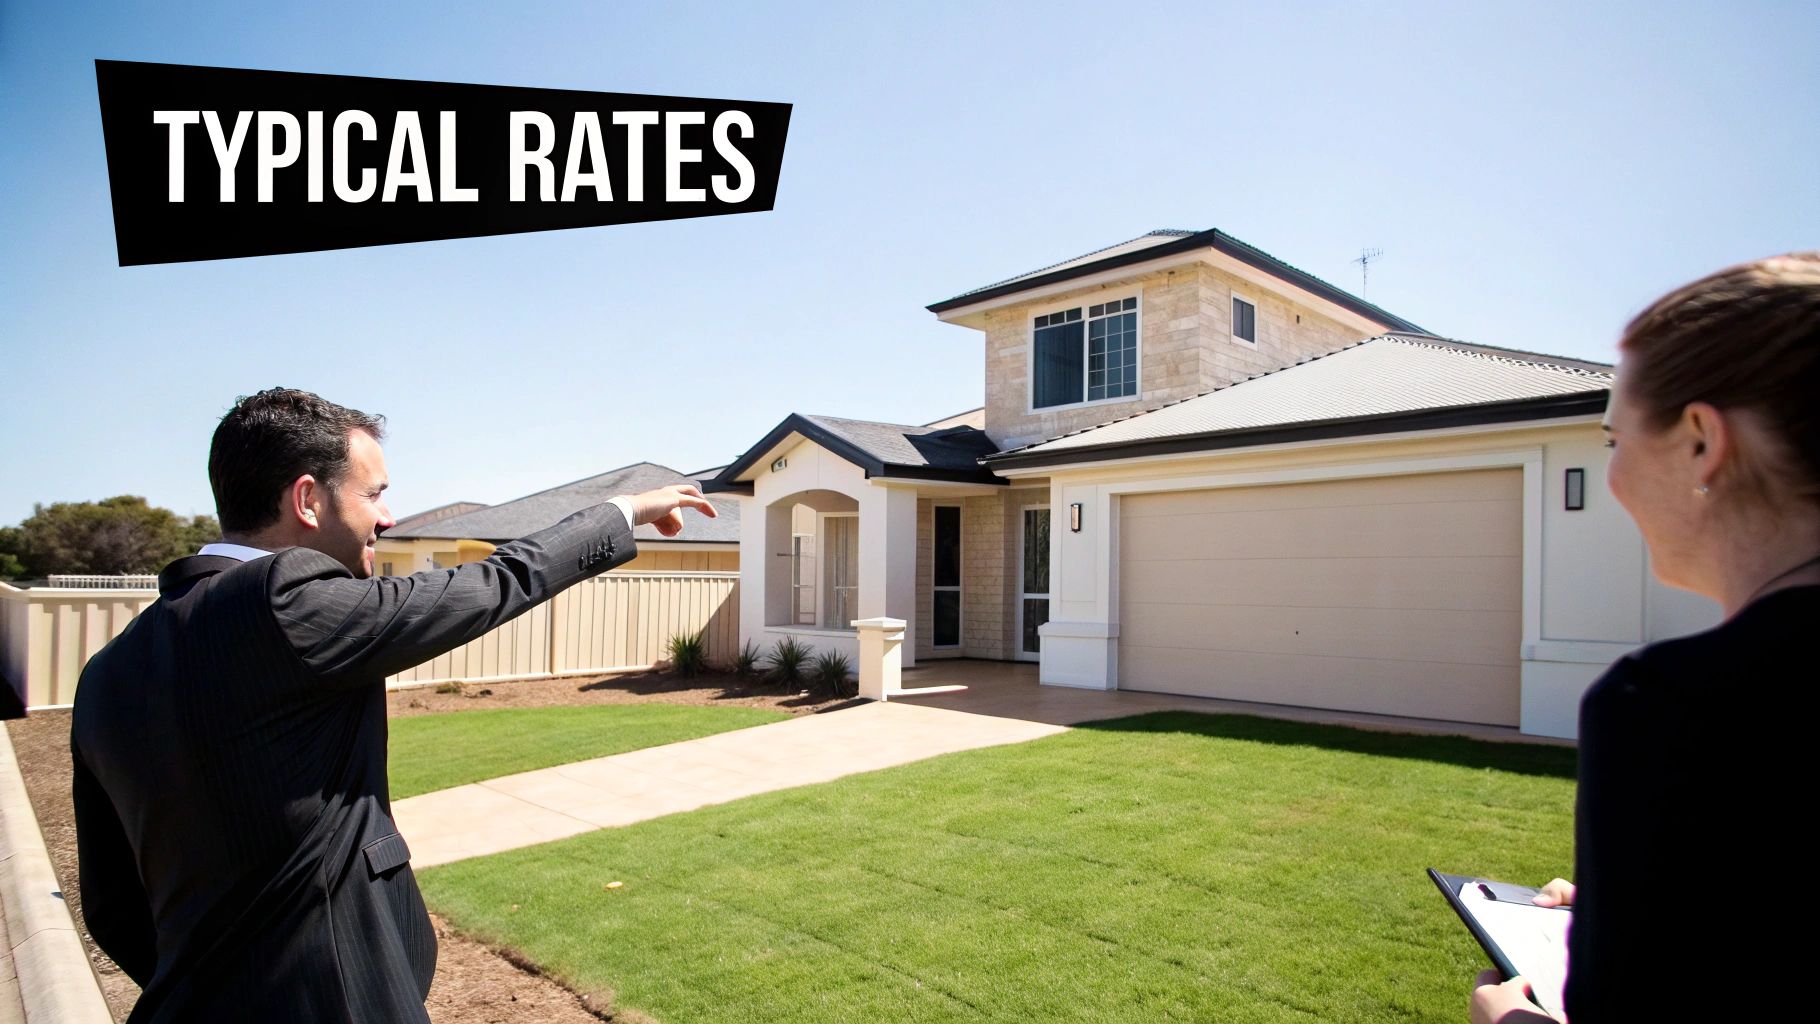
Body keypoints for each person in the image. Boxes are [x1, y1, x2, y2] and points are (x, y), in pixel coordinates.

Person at [71, 388, 717, 1023]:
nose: (388, 518)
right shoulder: (283, 601)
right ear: (307, 499)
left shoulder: (105, 675)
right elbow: (490, 584)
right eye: (374, 494)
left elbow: (109, 906)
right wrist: (621, 510)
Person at [1469, 252, 1820, 1023]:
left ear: (1701, 442)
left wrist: (1510, 1019)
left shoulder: (1676, 709)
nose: (1614, 477)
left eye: (1612, 442)